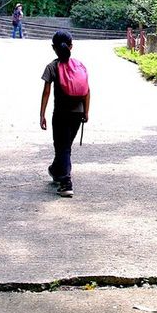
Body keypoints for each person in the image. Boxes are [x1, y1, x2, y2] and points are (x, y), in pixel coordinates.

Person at [40, 30, 90, 198]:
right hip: (78, 113)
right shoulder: (80, 65)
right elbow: (87, 90)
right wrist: (86, 111)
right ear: (71, 46)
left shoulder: (52, 66)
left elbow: (46, 92)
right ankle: (55, 170)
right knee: (64, 147)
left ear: (53, 47)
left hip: (61, 114)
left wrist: (42, 115)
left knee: (63, 148)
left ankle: (66, 182)